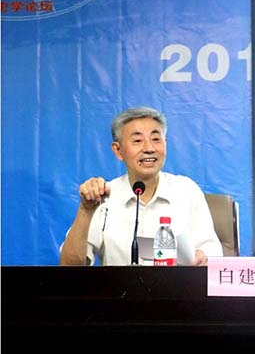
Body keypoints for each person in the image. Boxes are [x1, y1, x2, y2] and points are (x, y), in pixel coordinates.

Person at [59, 106, 223, 266]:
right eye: (137, 141)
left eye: (156, 139)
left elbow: (212, 256)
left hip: (177, 285)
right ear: (118, 150)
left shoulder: (186, 190)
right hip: (119, 285)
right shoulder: (103, 196)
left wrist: (203, 259)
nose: (149, 148)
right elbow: (69, 267)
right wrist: (86, 211)